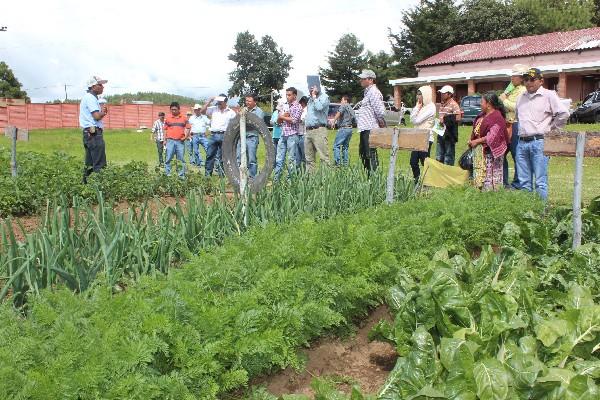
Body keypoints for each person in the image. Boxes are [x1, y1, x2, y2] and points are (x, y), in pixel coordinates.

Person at [515, 68, 569, 200]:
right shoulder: (520, 98)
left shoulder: (549, 95)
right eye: (526, 80)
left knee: (540, 182)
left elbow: (563, 113)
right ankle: (526, 214)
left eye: (532, 79)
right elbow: (518, 117)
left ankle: (541, 216)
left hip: (539, 142)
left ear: (541, 81)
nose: (528, 82)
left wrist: (552, 130)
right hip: (521, 143)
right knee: (524, 183)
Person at [467, 92, 508, 191]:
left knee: (490, 178)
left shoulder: (497, 117)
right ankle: (480, 194)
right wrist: (472, 140)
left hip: (491, 153)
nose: (480, 104)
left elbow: (491, 137)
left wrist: (477, 141)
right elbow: (476, 130)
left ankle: (491, 196)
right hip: (480, 151)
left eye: (482, 102)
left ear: (488, 104)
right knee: (480, 176)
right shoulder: (482, 115)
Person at [500, 64, 528, 189]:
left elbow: (516, 107)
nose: (512, 78)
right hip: (506, 123)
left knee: (516, 154)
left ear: (521, 78)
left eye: (514, 75)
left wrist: (503, 100)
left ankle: (518, 182)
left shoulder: (523, 90)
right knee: (501, 153)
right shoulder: (511, 88)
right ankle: (503, 181)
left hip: (516, 124)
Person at [79, 76, 108, 183]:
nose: (102, 87)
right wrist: (103, 112)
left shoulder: (89, 97)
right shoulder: (90, 98)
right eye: (100, 85)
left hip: (88, 133)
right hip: (94, 134)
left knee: (89, 163)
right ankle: (100, 189)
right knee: (100, 163)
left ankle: (85, 188)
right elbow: (96, 116)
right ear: (93, 86)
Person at [356, 69, 385, 172]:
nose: (361, 80)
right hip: (364, 128)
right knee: (364, 154)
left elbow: (380, 111)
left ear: (371, 80)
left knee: (370, 154)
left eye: (363, 79)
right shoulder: (367, 92)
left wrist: (381, 124)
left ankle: (374, 178)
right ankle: (369, 178)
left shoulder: (374, 92)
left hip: (370, 128)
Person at [201, 94, 237, 177]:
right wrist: (209, 101)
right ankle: (207, 175)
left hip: (224, 135)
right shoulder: (213, 109)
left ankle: (222, 175)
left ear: (225, 101)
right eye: (218, 101)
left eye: (220, 101)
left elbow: (235, 125)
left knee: (222, 156)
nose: (219, 103)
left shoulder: (231, 112)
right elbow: (202, 111)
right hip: (213, 135)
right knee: (210, 155)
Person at [274, 87, 302, 181]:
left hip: (292, 135)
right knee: (279, 158)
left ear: (294, 95)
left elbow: (294, 120)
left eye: (289, 95)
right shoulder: (284, 105)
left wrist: (283, 117)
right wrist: (282, 116)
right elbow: (278, 121)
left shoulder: (298, 106)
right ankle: (276, 180)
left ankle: (290, 181)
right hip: (283, 134)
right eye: (286, 95)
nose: (287, 97)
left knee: (291, 159)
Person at [409, 86, 436, 182]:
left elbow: (417, 120)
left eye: (420, 94)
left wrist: (417, 109)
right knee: (413, 162)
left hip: (426, 138)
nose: (418, 96)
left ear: (426, 95)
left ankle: (428, 182)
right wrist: (416, 108)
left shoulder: (431, 107)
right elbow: (411, 119)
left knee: (424, 161)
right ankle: (417, 180)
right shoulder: (420, 106)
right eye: (418, 94)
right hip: (417, 137)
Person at [237, 93, 264, 178]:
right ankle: (239, 177)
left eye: (249, 100)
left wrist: (245, 121)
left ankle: (252, 177)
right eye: (246, 100)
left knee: (252, 158)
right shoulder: (243, 110)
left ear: (255, 101)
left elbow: (256, 124)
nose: (247, 102)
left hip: (252, 137)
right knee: (238, 157)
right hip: (241, 137)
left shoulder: (259, 112)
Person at [304, 86, 330, 172]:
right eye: (310, 87)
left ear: (318, 87)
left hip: (319, 129)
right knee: (309, 159)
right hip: (308, 131)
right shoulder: (310, 99)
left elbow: (319, 107)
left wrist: (314, 97)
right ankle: (311, 182)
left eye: (313, 87)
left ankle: (326, 182)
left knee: (324, 157)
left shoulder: (324, 97)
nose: (311, 89)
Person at [436, 85, 461, 166]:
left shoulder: (454, 104)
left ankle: (448, 174)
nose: (442, 95)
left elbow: (458, 117)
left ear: (449, 94)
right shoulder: (442, 104)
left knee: (448, 156)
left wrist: (445, 120)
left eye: (444, 93)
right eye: (441, 93)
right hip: (440, 133)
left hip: (449, 135)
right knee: (439, 156)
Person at [163, 102, 190, 177]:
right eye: (172, 110)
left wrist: (185, 137)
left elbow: (188, 127)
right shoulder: (168, 119)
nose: (173, 111)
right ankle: (168, 175)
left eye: (175, 109)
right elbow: (165, 129)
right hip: (170, 141)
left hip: (180, 142)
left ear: (179, 109)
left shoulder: (184, 118)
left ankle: (181, 176)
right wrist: (165, 140)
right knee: (168, 158)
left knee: (181, 159)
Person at [330, 95, 355, 166]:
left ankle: (337, 163)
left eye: (342, 100)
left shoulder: (344, 105)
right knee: (345, 147)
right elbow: (354, 118)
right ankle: (345, 164)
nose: (341, 102)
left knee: (336, 145)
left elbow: (339, 112)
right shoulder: (351, 108)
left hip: (344, 128)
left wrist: (333, 121)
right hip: (350, 129)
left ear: (345, 101)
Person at [297, 96, 308, 169]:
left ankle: (305, 173)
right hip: (298, 134)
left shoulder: (307, 111)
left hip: (304, 134)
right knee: (297, 157)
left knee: (304, 157)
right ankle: (298, 173)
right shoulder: (301, 110)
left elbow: (303, 120)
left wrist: (296, 119)